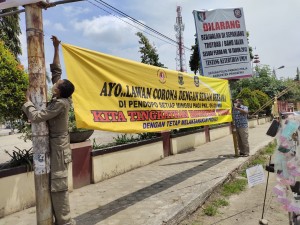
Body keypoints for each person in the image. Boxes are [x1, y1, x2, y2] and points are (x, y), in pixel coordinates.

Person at [22, 36, 75, 225]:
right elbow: (57, 71)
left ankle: (66, 222)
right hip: (56, 143)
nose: (55, 83)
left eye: (57, 84)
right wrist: (56, 47)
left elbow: (37, 116)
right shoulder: (61, 95)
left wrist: (27, 102)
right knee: (55, 184)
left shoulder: (60, 104)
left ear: (59, 91)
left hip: (59, 147)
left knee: (58, 185)